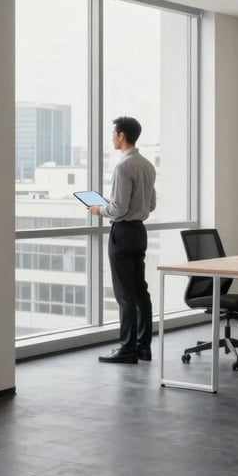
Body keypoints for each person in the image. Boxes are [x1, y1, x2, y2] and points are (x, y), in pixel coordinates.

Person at [87, 116, 157, 364]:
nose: (111, 137)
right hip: (139, 232)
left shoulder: (123, 167)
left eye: (113, 133)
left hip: (123, 233)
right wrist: (116, 206)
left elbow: (118, 209)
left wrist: (99, 209)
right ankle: (143, 346)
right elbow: (151, 203)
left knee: (124, 294)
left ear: (121, 135)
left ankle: (126, 349)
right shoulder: (147, 165)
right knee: (140, 291)